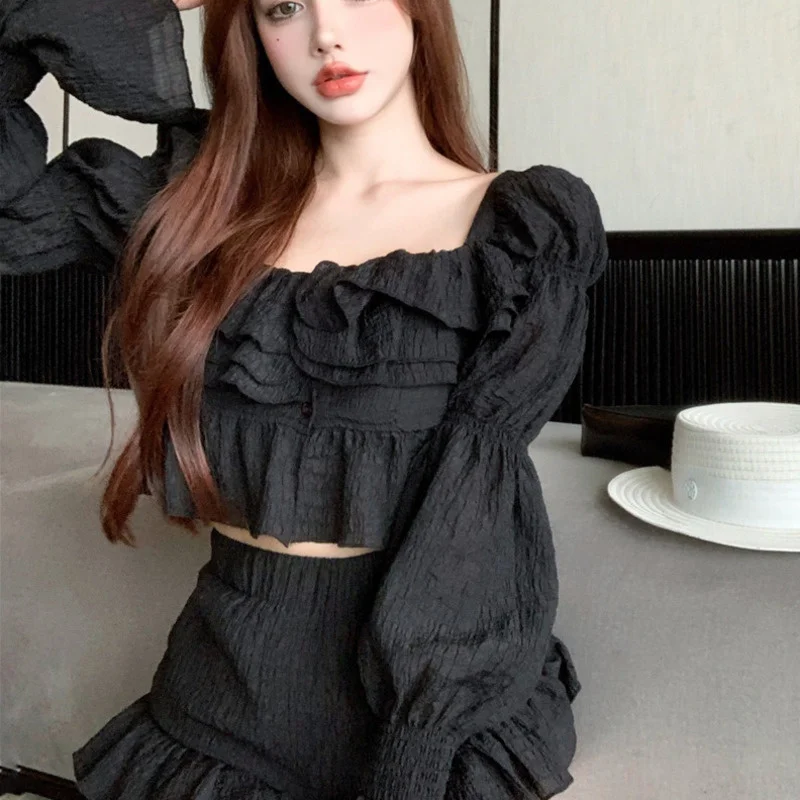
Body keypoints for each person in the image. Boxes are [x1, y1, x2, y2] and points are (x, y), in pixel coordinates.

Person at [1, 1, 609, 798]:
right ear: (248, 32)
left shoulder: (522, 228)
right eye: (283, 7)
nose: (326, 33)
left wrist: (415, 760)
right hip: (216, 707)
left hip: (431, 721)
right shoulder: (195, 202)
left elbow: (478, 518)